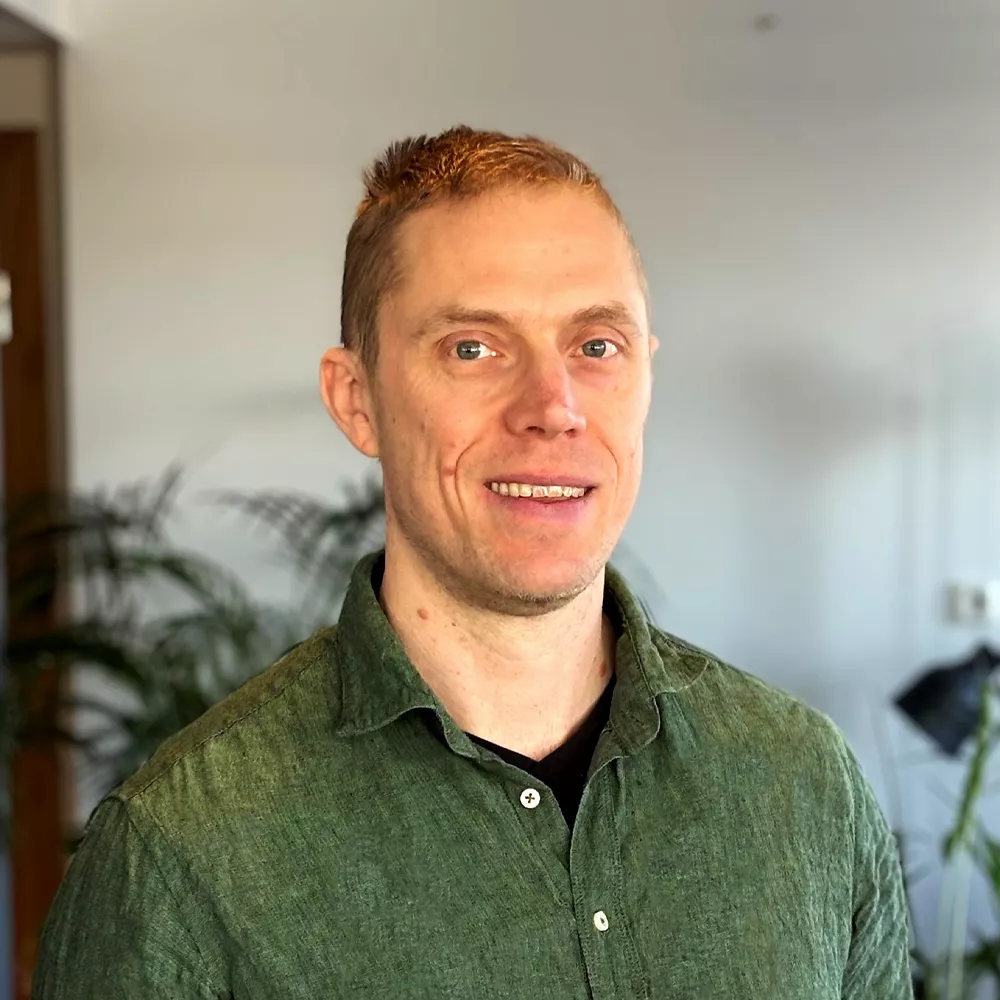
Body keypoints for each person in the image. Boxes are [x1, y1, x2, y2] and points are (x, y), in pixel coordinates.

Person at [32, 125, 913, 999]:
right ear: (357, 400)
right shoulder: (181, 858)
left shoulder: (805, 785)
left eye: (595, 346)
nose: (552, 407)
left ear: (646, 373)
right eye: (473, 348)